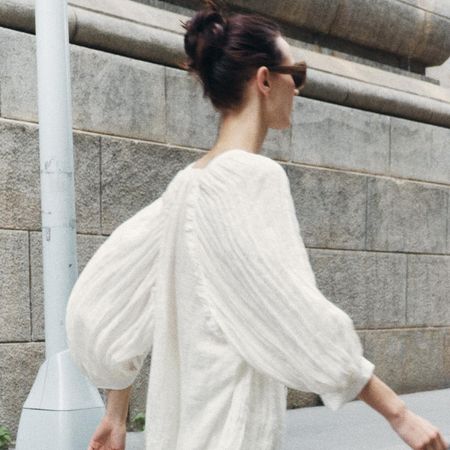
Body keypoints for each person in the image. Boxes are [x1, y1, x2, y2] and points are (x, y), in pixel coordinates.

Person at [64, 1, 449, 449]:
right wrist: (400, 415)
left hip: (179, 428)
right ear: (265, 79)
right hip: (231, 427)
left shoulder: (186, 187)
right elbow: (298, 314)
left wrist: (116, 414)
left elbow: (113, 302)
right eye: (296, 74)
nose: (299, 90)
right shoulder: (252, 178)